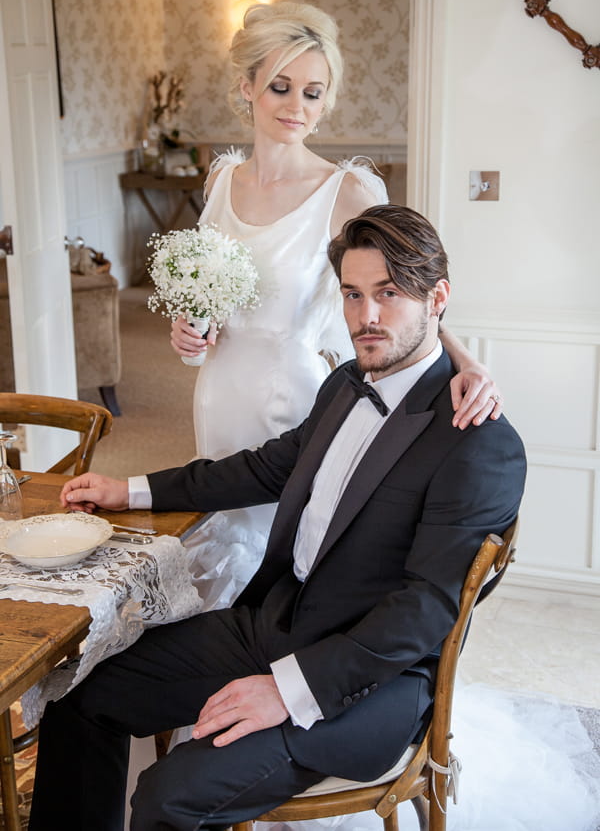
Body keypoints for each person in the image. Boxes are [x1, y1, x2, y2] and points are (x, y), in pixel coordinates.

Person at [29, 205, 526, 831]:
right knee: (81, 695)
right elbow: (266, 468)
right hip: (277, 623)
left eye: (389, 294)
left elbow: (424, 611)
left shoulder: (477, 440)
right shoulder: (346, 383)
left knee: (167, 795)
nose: (366, 318)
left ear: (438, 299)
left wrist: (290, 691)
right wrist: (129, 489)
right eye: (352, 295)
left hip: (370, 681)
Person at [168, 1, 503, 609]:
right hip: (220, 391)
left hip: (291, 392)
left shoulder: (346, 190)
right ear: (246, 88)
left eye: (314, 93)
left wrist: (467, 361)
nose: (298, 106)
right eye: (281, 87)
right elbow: (209, 292)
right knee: (218, 521)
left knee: (283, 541)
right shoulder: (222, 181)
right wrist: (190, 329)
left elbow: (412, 290)